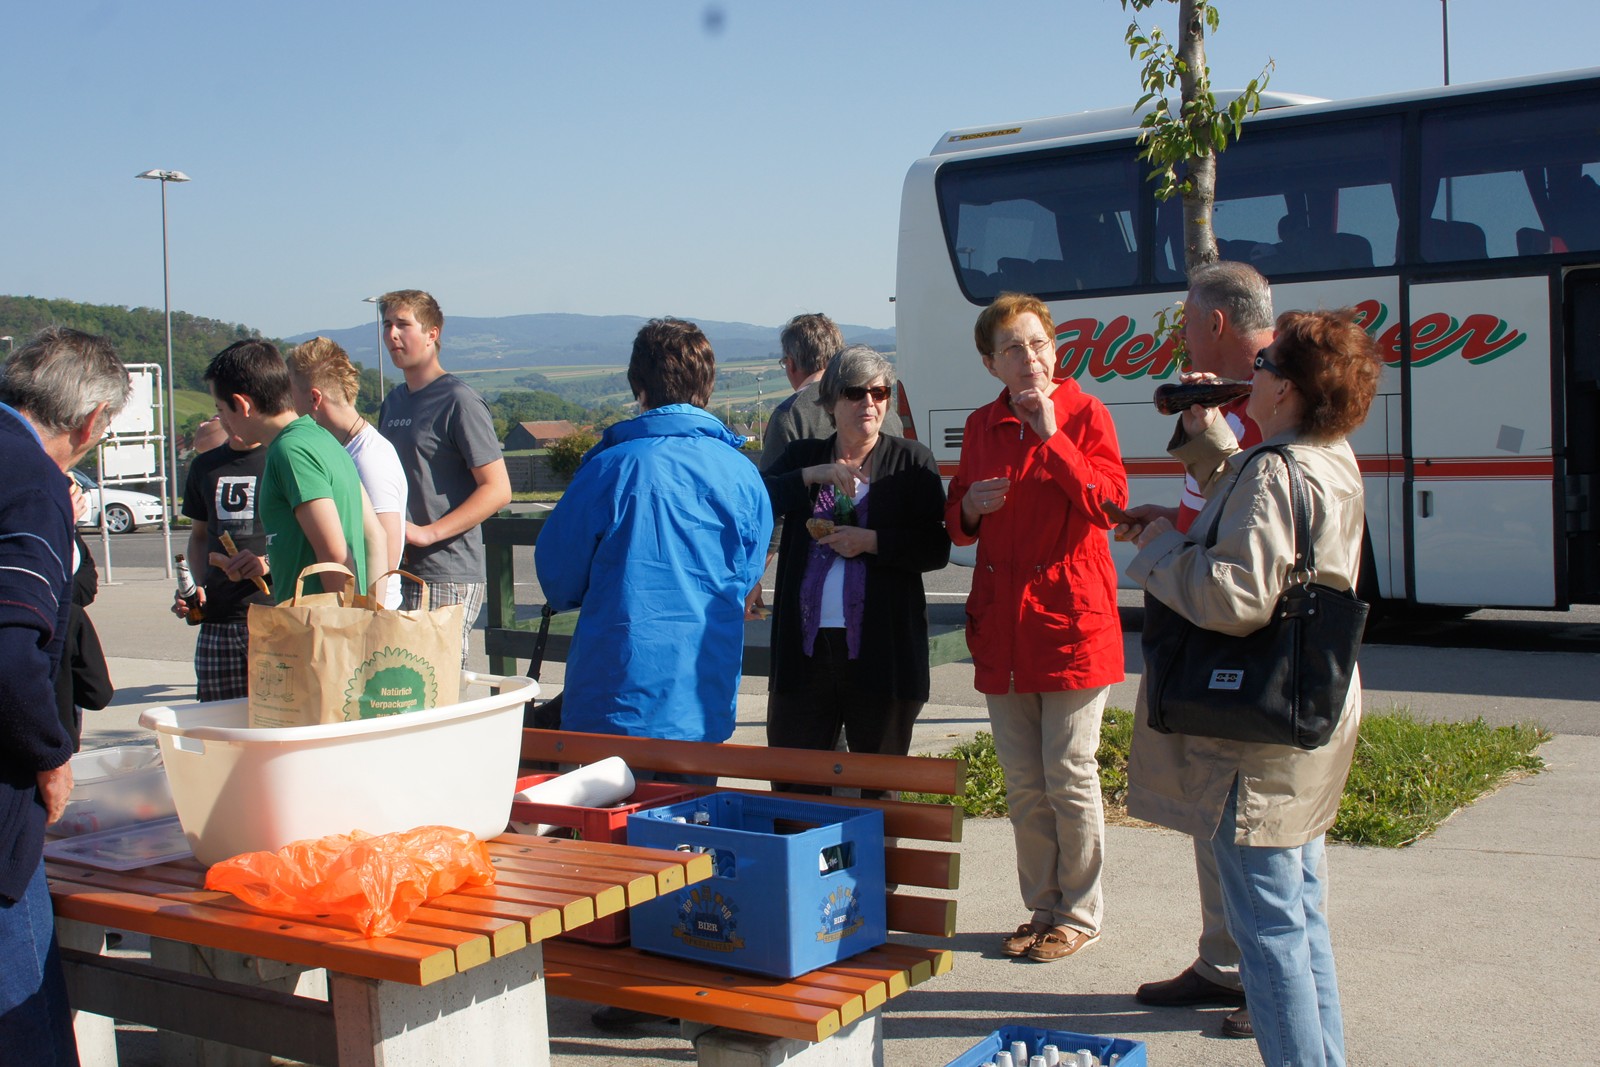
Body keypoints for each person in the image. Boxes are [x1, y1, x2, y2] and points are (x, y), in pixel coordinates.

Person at [1121, 308, 1381, 1067]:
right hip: (1310, 708)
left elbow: (1236, 596)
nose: (1253, 375)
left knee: (1267, 935)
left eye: (1266, 368)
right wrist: (1211, 436)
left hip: (1255, 733)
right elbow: (1265, 501)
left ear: (1290, 391)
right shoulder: (1328, 454)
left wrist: (1163, 548)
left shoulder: (1276, 468)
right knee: (1299, 919)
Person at [945, 292, 1126, 963]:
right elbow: (957, 515)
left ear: (1056, 348)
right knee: (1024, 782)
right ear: (991, 362)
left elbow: (1109, 504)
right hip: (1004, 628)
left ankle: (1079, 912)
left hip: (1072, 625)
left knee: (1069, 773)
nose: (1029, 358)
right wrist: (969, 507)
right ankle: (1041, 906)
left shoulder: (1085, 413)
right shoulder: (981, 424)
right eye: (1012, 348)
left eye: (1038, 343)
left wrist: (1053, 436)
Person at [1125, 260, 1271, 1038]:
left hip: (1238, 647)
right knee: (1210, 815)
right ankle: (1222, 962)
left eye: (1187, 318)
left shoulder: (1267, 412)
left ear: (1217, 322)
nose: (1181, 333)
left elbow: (1252, 547)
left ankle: (1264, 984)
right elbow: (1213, 511)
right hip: (1194, 625)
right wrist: (1171, 524)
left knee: (1252, 830)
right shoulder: (1224, 403)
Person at [535, 318, 771, 748]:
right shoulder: (743, 474)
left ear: (638, 387)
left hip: (612, 700)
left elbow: (558, 580)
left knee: (601, 815)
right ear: (707, 386)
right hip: (701, 700)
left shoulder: (609, 468)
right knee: (694, 813)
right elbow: (745, 577)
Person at [0, 326, 131, 1064]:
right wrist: (51, 755)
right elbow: (9, 653)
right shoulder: (32, 481)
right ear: (89, 424)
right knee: (27, 1030)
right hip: (3, 806)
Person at [762, 346, 948, 779]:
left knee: (877, 786)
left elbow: (935, 547)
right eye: (855, 393)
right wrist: (811, 476)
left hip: (882, 658)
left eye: (880, 392)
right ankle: (804, 850)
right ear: (829, 401)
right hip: (806, 656)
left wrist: (873, 541)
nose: (870, 403)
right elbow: (749, 499)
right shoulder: (804, 457)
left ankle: (871, 852)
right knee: (796, 784)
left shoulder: (911, 461)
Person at [377, 290, 511, 663]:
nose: (392, 335)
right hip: (396, 568)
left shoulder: (458, 400)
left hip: (446, 571)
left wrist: (427, 532)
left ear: (433, 334)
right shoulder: (393, 402)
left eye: (403, 325)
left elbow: (498, 489)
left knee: (439, 685)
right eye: (387, 325)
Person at [749, 313, 901, 619]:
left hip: (814, 582)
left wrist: (752, 578)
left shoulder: (790, 414)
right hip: (885, 582)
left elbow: (768, 513)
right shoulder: (885, 409)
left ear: (790, 363)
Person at [204, 340, 367, 601]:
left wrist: (345, 629)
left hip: (317, 629)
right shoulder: (320, 438)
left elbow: (334, 554)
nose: (222, 421)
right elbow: (372, 535)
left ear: (243, 404)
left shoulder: (290, 451)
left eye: (221, 410)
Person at [288, 337, 408, 608]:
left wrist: (356, 617)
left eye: (292, 392)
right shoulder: (345, 449)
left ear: (314, 398)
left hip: (368, 617)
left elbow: (383, 554)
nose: (290, 405)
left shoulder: (369, 458)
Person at [177, 405, 271, 701]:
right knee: (217, 729)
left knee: (277, 726)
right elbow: (200, 535)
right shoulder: (205, 466)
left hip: (274, 616)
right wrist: (199, 586)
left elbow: (306, 538)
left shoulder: (280, 457)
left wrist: (267, 563)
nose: (226, 419)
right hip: (219, 620)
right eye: (219, 410)